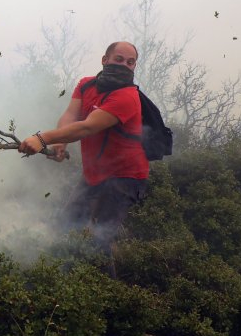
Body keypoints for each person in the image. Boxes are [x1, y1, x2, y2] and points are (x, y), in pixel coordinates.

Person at [18, 41, 149, 250]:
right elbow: (71, 115)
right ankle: (64, 274)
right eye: (119, 59)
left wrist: (41, 139)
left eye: (130, 62)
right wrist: (61, 143)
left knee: (100, 240)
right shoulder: (86, 84)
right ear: (105, 60)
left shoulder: (127, 97)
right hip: (95, 172)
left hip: (125, 177)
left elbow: (87, 128)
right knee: (66, 225)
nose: (124, 65)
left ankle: (105, 282)